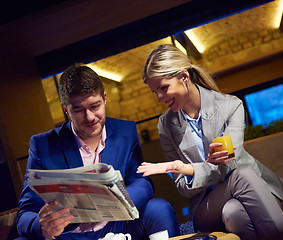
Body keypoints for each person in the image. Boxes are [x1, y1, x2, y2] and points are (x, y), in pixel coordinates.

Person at [137, 44, 283, 240]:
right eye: (154, 92)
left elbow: (230, 163)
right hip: (207, 204)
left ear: (184, 77)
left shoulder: (230, 106)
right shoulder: (166, 126)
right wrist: (195, 169)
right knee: (242, 176)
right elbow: (183, 188)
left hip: (253, 190)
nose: (159, 98)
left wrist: (188, 169)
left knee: (234, 213)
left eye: (163, 88)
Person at [16, 63, 180, 240]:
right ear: (65, 109)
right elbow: (25, 213)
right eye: (78, 110)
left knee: (159, 209)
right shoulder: (42, 145)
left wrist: (121, 199)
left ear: (105, 98)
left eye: (95, 106)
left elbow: (142, 182)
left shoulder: (126, 131)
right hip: (70, 235)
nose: (89, 117)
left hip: (118, 224)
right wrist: (43, 227)